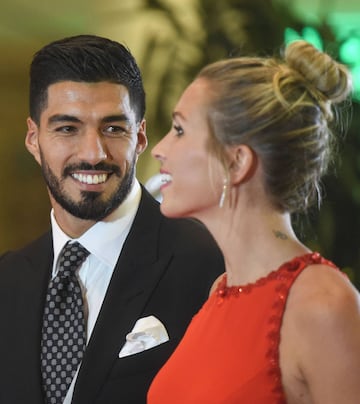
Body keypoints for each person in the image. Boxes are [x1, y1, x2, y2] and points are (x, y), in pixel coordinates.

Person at [0, 34, 224, 404]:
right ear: (33, 139)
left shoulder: (208, 264)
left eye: (113, 128)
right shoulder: (7, 281)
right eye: (67, 128)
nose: (93, 153)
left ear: (140, 137)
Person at [148, 40, 360, 403]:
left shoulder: (324, 304)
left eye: (180, 130)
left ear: (237, 162)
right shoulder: (221, 290)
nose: (160, 149)